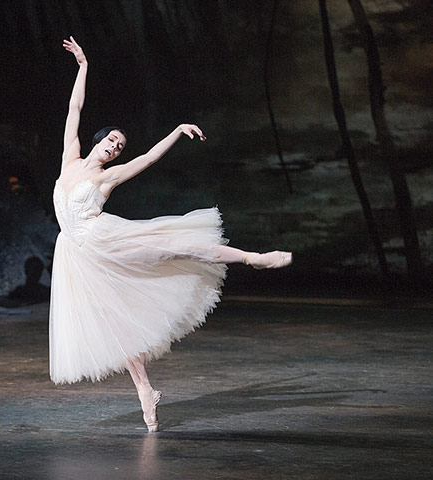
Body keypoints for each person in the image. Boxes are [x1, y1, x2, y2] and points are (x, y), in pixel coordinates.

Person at [50, 37, 292, 432]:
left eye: (120, 146)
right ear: (99, 140)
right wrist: (83, 66)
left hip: (105, 239)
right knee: (115, 324)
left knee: (176, 246)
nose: (115, 147)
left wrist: (177, 131)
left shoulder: (110, 176)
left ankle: (254, 257)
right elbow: (74, 108)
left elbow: (147, 158)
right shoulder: (69, 157)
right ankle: (145, 390)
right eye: (111, 140)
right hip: (77, 255)